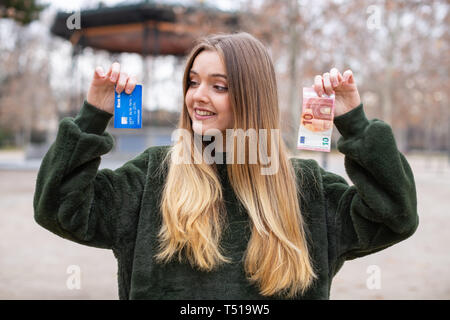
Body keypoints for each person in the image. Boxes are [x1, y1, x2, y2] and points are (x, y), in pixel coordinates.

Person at [33, 32, 419, 300]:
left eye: (219, 86)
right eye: (193, 82)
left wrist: (354, 123)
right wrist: (92, 115)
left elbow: (395, 216)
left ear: (252, 97)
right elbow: (59, 209)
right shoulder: (153, 175)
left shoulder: (307, 189)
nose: (198, 97)